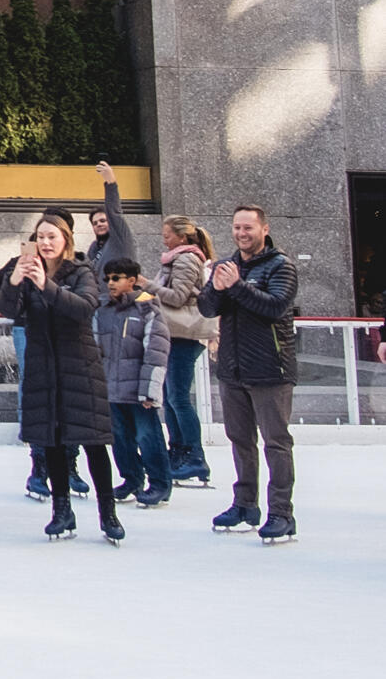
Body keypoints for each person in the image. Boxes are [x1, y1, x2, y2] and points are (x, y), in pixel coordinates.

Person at [0, 213, 122, 543]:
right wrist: (13, 282)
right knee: (51, 437)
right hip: (42, 363)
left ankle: (107, 512)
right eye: (41, 237)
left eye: (52, 236)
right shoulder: (27, 272)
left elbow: (84, 308)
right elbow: (8, 310)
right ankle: (61, 510)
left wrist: (46, 285)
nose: (46, 243)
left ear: (66, 240)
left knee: (93, 440)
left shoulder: (81, 271)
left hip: (78, 363)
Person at [96, 163, 214, 487]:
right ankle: (181, 451)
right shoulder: (175, 259)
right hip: (175, 334)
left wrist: (147, 285)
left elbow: (177, 296)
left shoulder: (188, 259)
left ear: (181, 235)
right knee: (172, 395)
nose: (163, 240)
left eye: (166, 235)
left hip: (183, 334)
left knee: (177, 396)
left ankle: (193, 455)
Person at [205, 204, 299, 542]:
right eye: (237, 228)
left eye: (249, 228)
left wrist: (236, 287)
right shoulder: (226, 266)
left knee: (276, 443)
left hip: (270, 369)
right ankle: (245, 504)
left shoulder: (281, 265)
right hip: (233, 369)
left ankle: (281, 513)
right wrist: (217, 287)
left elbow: (274, 307)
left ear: (264, 229)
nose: (242, 234)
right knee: (240, 440)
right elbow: (206, 308)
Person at [96, 257, 172, 506]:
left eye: (116, 278)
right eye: (107, 278)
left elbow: (156, 352)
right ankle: (131, 478)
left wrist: (150, 390)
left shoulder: (148, 309)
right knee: (120, 438)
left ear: (132, 280)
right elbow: (96, 349)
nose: (110, 283)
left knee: (148, 436)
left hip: (139, 391)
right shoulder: (102, 310)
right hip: (112, 388)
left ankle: (160, 484)